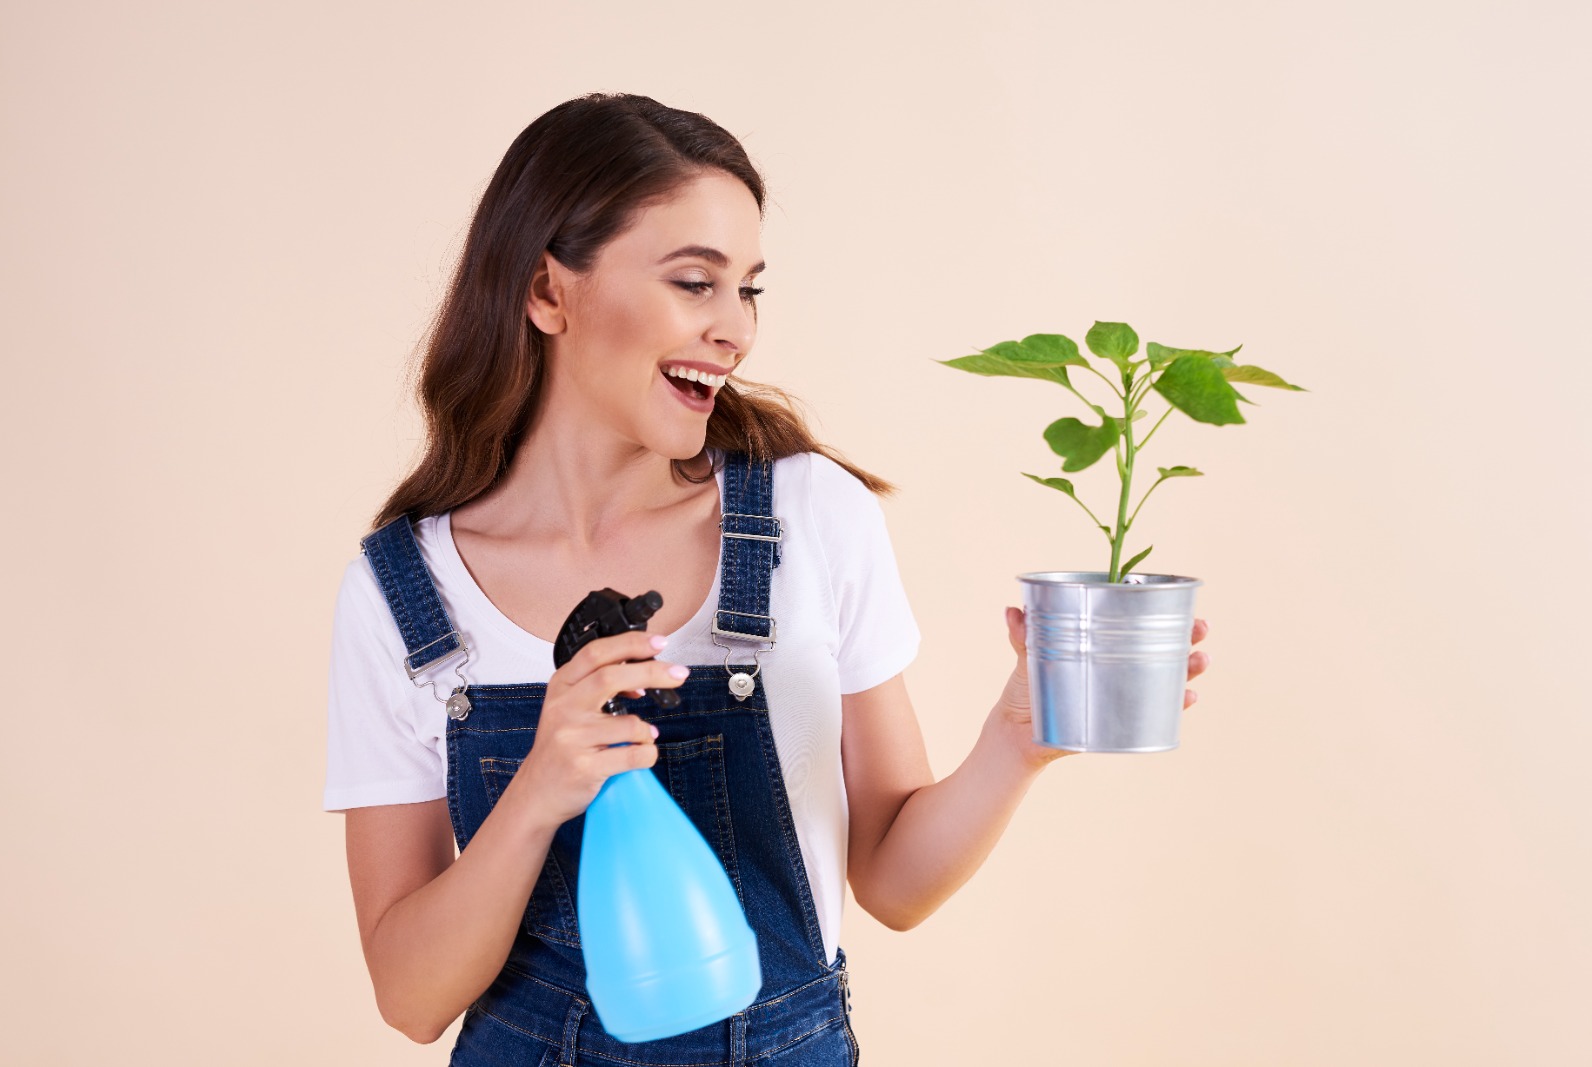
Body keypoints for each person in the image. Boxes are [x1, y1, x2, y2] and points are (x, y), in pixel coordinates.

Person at [323, 92, 1211, 1065]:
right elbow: (411, 997)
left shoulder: (814, 518)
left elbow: (894, 882)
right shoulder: (405, 593)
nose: (735, 329)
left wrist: (1020, 732)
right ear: (547, 291)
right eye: (694, 282)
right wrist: (538, 788)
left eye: (747, 290)